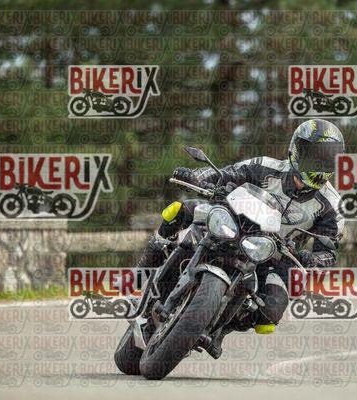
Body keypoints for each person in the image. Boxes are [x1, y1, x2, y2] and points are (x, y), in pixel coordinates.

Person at [135, 119, 345, 342]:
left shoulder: (332, 205)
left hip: (275, 255)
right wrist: (197, 177)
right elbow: (225, 174)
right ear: (296, 150)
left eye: (325, 159)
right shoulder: (265, 165)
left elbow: (329, 251)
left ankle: (219, 327)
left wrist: (311, 258)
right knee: (178, 210)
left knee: (270, 313)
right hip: (233, 222)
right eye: (313, 156)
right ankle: (142, 271)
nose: (317, 165)